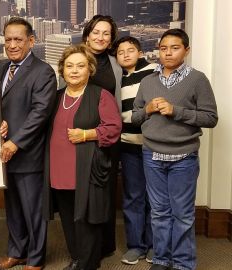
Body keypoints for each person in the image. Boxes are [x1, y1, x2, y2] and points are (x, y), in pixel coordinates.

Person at [132, 29, 218, 270]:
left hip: (184, 157)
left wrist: (176, 111)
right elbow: (136, 117)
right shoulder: (148, 80)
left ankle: (182, 263)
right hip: (152, 155)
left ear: (186, 50)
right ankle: (161, 259)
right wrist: (148, 109)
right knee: (159, 213)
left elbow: (211, 118)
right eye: (163, 48)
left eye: (175, 48)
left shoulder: (197, 79)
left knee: (182, 214)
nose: (168, 53)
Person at [43, 44, 121, 270]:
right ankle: (77, 258)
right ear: (62, 70)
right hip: (58, 169)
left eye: (80, 66)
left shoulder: (101, 95)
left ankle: (87, 264)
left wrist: (87, 134)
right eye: (69, 66)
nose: (74, 71)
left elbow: (114, 128)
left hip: (86, 169)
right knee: (68, 219)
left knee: (87, 219)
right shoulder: (56, 97)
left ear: (90, 69)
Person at [0, 17, 56, 270]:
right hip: (4, 154)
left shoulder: (43, 71)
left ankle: (36, 259)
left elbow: (40, 113)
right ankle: (17, 252)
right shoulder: (2, 68)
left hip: (28, 154)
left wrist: (15, 142)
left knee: (33, 212)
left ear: (31, 41)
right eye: (8, 39)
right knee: (14, 209)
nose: (12, 44)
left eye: (18, 39)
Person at [81, 14, 122, 257]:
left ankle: (105, 245)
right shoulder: (75, 58)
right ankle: (85, 245)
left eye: (106, 33)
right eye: (96, 32)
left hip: (106, 137)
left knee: (105, 191)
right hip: (77, 135)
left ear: (111, 39)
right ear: (87, 34)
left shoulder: (115, 64)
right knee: (82, 191)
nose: (100, 37)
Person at [114, 36, 157, 265]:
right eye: (121, 52)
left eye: (131, 50)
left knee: (155, 198)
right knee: (133, 196)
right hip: (129, 146)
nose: (126, 55)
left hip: (153, 145)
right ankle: (135, 246)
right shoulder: (117, 77)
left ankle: (153, 245)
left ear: (139, 52)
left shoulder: (154, 71)